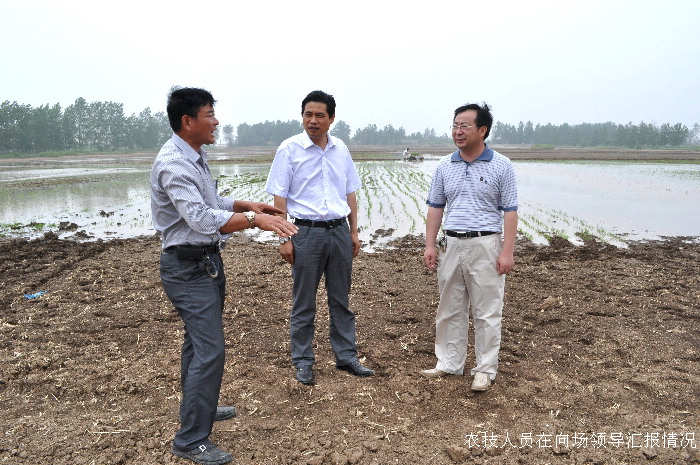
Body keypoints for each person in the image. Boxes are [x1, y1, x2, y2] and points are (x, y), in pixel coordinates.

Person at [151, 87, 298, 465]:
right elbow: (200, 219)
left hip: (204, 264)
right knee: (210, 350)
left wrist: (245, 204)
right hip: (187, 269)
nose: (216, 122)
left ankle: (199, 405)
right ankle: (190, 440)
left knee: (197, 343)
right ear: (188, 121)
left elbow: (211, 203)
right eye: (209, 115)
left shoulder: (194, 157)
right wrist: (254, 220)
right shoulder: (174, 164)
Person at [265, 90, 374, 386]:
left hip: (338, 232)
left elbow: (350, 192)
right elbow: (279, 199)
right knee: (304, 302)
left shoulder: (341, 149)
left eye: (319, 115)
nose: (313, 121)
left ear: (332, 118)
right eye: (308, 115)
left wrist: (353, 232)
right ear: (302, 116)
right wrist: (284, 238)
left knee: (341, 300)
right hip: (305, 233)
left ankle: (346, 356)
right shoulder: (289, 149)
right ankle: (303, 360)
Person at [421, 102, 518, 392]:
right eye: (455, 126)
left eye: (464, 126)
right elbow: (435, 207)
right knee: (450, 306)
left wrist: (507, 251)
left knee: (487, 310)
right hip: (451, 243)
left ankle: (485, 370)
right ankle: (449, 363)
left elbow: (510, 211)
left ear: (482, 130)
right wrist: (430, 245)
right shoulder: (444, 166)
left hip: (485, 243)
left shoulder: (502, 165)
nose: (457, 131)